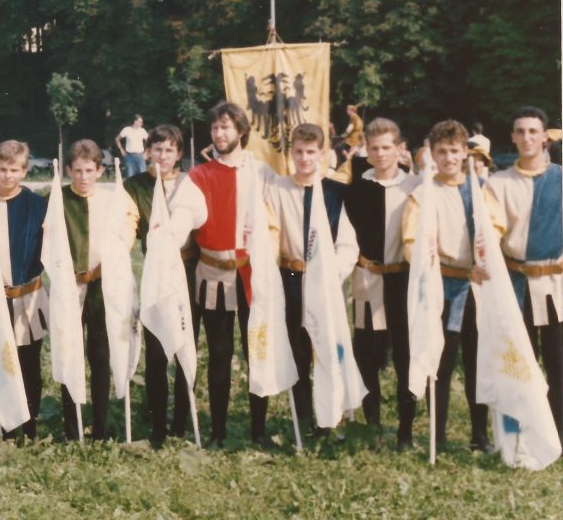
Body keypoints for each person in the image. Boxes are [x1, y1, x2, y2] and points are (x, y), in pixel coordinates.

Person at [167, 102, 275, 447]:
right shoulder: (199, 176)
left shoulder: (262, 173)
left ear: (241, 131)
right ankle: (217, 431)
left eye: (226, 127)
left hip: (252, 277)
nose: (219, 134)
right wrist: (169, 237)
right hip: (213, 275)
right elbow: (184, 215)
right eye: (215, 128)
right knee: (219, 352)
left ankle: (258, 430)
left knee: (256, 350)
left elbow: (274, 221)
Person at [403, 119, 505, 453]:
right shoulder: (423, 194)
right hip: (440, 286)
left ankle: (479, 434)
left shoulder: (478, 191)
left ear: (465, 153)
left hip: (475, 288)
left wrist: (485, 261)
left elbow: (496, 229)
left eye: (454, 151)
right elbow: (411, 243)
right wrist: (433, 265)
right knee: (441, 364)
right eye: (442, 151)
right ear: (432, 153)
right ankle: (439, 435)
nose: (449, 158)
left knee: (477, 362)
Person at [265, 123, 358, 437]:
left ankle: (327, 418)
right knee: (297, 347)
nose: (304, 158)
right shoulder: (278, 189)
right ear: (291, 152)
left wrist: (334, 273)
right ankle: (302, 414)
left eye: (311, 152)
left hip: (326, 280)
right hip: (290, 276)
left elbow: (347, 243)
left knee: (325, 345)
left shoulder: (336, 192)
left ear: (322, 153)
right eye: (299, 152)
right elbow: (269, 234)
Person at [486, 107, 563, 441]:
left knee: (559, 364)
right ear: (513, 137)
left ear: (544, 136)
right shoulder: (499, 183)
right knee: (522, 363)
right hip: (516, 285)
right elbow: (490, 233)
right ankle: (528, 433)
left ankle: (559, 432)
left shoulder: (560, 178)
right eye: (521, 131)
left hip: (557, 285)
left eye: (534, 131)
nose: (527, 138)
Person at [344, 118, 420, 448]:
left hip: (403, 279)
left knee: (405, 354)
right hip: (368, 278)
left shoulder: (413, 186)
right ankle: (372, 423)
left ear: (398, 149)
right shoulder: (357, 187)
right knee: (367, 354)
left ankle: (405, 430)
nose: (380, 154)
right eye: (374, 148)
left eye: (386, 147)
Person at [123, 124, 199, 445]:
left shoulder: (188, 185)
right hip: (155, 274)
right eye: (157, 149)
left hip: (186, 271)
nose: (163, 156)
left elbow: (193, 217)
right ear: (147, 151)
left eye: (169, 150)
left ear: (178, 154)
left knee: (183, 346)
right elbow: (127, 223)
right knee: (156, 354)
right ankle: (156, 424)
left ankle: (181, 421)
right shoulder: (134, 186)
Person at [60, 139, 134, 440]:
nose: (83, 177)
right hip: (69, 286)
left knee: (100, 354)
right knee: (69, 353)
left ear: (99, 170)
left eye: (89, 170)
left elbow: (128, 228)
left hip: (102, 285)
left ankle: (101, 424)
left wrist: (112, 262)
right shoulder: (58, 199)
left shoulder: (113, 199)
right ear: (68, 170)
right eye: (77, 171)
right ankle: (73, 426)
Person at [0, 140, 48, 439]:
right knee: (0, 361)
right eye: (3, 169)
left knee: (29, 361)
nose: (8, 176)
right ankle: (7, 423)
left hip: (28, 296)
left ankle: (30, 422)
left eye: (14, 170)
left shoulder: (37, 205)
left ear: (24, 171)